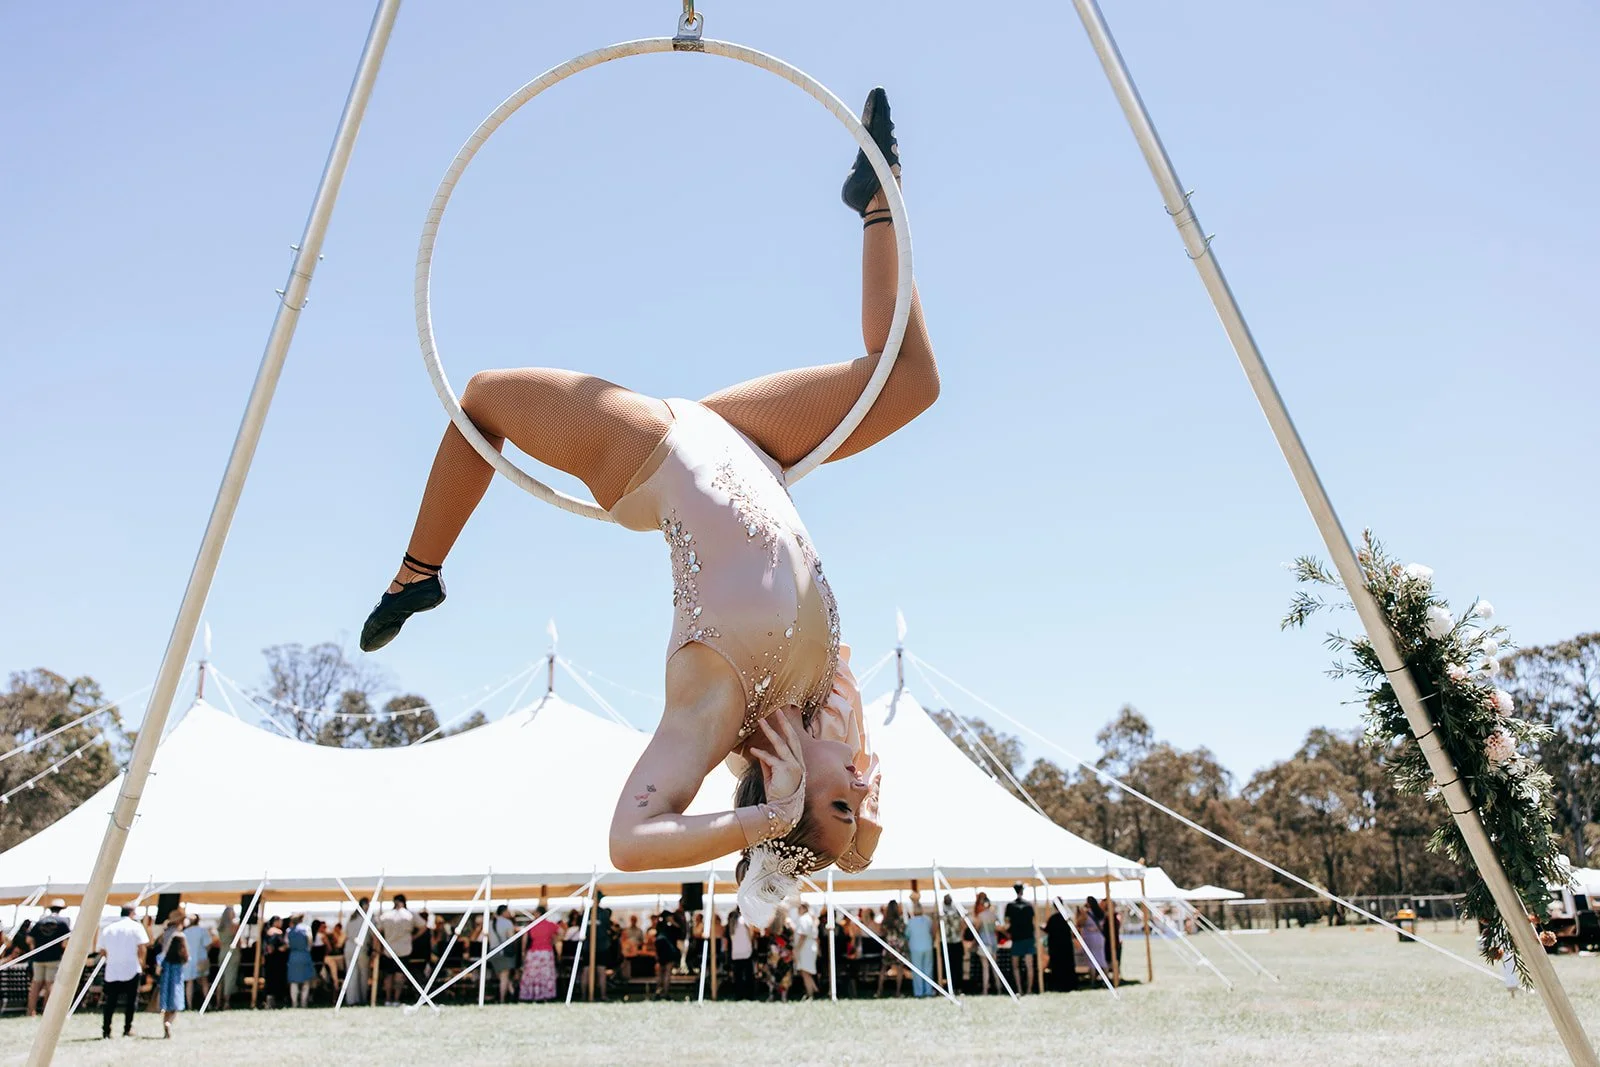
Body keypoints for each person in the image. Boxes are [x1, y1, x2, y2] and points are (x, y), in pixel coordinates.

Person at [359, 91, 933, 917]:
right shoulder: (819, 700)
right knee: (911, 381)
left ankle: (418, 574)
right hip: (752, 443)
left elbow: (629, 844)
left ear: (788, 787)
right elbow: (861, 839)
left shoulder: (714, 710)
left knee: (482, 397)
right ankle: (877, 200)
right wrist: (837, 827)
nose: (863, 784)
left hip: (655, 453)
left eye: (841, 799)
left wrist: (765, 823)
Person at [98, 905, 149, 1039]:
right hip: (131, 968)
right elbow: (142, 948)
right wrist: (141, 963)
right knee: (131, 1001)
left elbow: (102, 951)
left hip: (112, 969)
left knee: (110, 1002)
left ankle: (106, 1030)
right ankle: (127, 1028)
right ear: (132, 913)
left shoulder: (108, 928)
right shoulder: (136, 927)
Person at [376, 894, 425, 1005]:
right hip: (404, 949)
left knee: (389, 975)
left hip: (388, 949)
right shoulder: (410, 915)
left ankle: (388, 999)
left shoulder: (386, 916)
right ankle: (396, 999)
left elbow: (377, 930)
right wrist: (413, 937)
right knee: (399, 975)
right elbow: (424, 926)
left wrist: (378, 946)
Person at [26, 898, 71, 1017]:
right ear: (61, 910)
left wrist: (35, 949)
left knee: (35, 984)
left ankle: (31, 1011)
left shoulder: (41, 921)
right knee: (50, 985)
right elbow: (64, 944)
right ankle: (47, 1011)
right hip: (54, 958)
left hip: (38, 958)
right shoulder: (63, 922)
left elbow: (29, 939)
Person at [520, 906, 560, 1003]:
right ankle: (545, 994)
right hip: (546, 952)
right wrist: (553, 941)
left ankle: (531, 994)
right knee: (545, 974)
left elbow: (525, 939)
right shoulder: (550, 925)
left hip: (533, 953)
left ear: (538, 913)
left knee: (532, 974)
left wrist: (523, 952)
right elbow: (561, 932)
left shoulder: (531, 925)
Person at [158, 918, 189, 1038]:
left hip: (166, 980)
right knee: (175, 1005)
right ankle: (169, 1023)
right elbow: (187, 959)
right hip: (176, 981)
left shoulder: (165, 959)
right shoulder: (181, 960)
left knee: (166, 1006)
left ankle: (165, 1024)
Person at [1005, 883, 1038, 995]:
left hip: (1017, 939)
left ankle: (1019, 989)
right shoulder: (1029, 905)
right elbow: (1033, 921)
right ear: (1022, 891)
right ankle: (1029, 990)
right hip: (1028, 937)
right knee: (1029, 966)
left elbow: (1007, 923)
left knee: (1015, 966)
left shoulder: (1010, 905)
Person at [903, 900, 936, 997]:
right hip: (927, 946)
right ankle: (928, 991)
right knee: (928, 969)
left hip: (916, 948)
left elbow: (907, 935)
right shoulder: (928, 920)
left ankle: (919, 992)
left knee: (917, 971)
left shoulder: (910, 922)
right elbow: (932, 931)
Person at [488, 904, 518, 1003]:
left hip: (492, 952)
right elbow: (511, 938)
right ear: (504, 912)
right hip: (504, 952)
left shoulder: (490, 923)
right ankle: (502, 999)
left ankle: (513, 993)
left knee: (501, 977)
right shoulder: (508, 923)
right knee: (504, 977)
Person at [1044, 900, 1077, 992]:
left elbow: (1047, 929)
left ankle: (1058, 984)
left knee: (1058, 966)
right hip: (1065, 945)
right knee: (1067, 965)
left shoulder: (1053, 919)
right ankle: (1069, 984)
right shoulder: (1067, 918)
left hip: (1056, 947)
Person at [876, 899, 907, 997]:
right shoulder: (899, 920)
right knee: (899, 969)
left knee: (883, 969)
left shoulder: (885, 920)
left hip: (888, 946)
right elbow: (903, 930)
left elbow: (881, 932)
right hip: (898, 947)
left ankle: (879, 991)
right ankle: (897, 992)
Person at [344, 898, 370, 1005]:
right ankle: (362, 998)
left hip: (349, 947)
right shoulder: (367, 918)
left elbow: (346, 933)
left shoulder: (351, 918)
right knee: (363, 974)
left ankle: (351, 999)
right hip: (360, 948)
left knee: (351, 974)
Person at [182, 914, 212, 1009]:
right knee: (204, 981)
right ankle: (208, 1004)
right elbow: (208, 944)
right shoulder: (202, 931)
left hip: (189, 960)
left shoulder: (185, 932)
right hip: (201, 959)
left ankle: (189, 1005)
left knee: (189, 983)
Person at [286, 914, 315, 1007]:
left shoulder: (288, 931)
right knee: (306, 981)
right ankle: (303, 1002)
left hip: (293, 956)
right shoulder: (307, 929)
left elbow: (287, 944)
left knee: (293, 982)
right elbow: (310, 943)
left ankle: (294, 1003)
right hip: (304, 955)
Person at [792, 902, 820, 1000]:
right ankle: (814, 990)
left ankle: (810, 994)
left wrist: (797, 949)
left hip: (805, 948)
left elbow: (802, 936)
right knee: (806, 971)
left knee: (805, 972)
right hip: (809, 946)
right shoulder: (809, 919)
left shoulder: (804, 919)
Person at [973, 893, 998, 995]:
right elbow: (998, 927)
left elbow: (977, 930)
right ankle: (999, 988)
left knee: (985, 968)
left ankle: (985, 990)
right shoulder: (993, 915)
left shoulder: (981, 916)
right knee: (995, 967)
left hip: (984, 942)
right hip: (993, 942)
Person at [727, 907, 755, 1000]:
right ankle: (749, 995)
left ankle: (738, 994)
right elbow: (751, 932)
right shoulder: (745, 919)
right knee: (748, 974)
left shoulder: (732, 921)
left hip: (736, 951)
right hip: (746, 950)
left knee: (737, 975)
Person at [939, 895, 964, 994]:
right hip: (955, 942)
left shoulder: (943, 914)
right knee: (957, 966)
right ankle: (957, 987)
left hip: (948, 942)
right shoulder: (957, 913)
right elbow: (962, 925)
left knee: (949, 966)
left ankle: (953, 986)